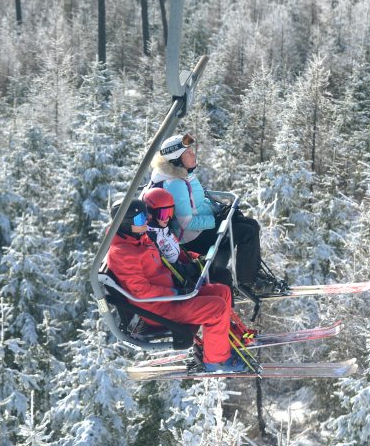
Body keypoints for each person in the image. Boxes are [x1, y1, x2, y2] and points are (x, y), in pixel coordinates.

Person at [104, 197, 248, 373]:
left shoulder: (138, 238)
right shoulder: (122, 253)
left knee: (222, 291)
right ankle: (216, 361)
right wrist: (175, 292)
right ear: (125, 224)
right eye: (141, 219)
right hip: (159, 307)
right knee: (215, 308)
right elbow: (141, 292)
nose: (147, 221)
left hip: (170, 296)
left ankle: (220, 345)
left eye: (146, 216)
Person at [149, 133, 284, 297]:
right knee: (246, 232)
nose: (193, 154)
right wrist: (217, 220)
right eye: (188, 153)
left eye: (192, 150)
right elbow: (186, 223)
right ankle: (247, 281)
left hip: (200, 230)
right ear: (176, 160)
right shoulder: (176, 184)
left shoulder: (182, 174)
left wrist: (220, 211)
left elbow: (197, 203)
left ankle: (251, 274)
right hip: (193, 239)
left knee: (249, 224)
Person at [140, 186, 257, 342]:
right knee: (220, 281)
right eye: (163, 213)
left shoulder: (163, 228)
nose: (167, 217)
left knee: (223, 275)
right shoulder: (151, 238)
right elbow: (166, 267)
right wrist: (190, 268)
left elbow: (177, 250)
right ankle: (222, 332)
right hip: (179, 283)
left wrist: (196, 258)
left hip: (183, 273)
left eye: (170, 212)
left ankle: (227, 326)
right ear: (151, 214)